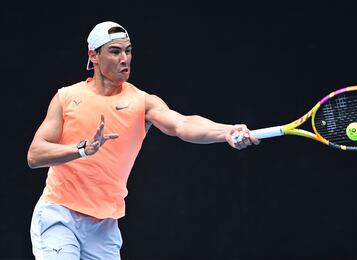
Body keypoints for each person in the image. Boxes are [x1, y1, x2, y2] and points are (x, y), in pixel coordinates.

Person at [27, 21, 259, 259]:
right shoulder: (66, 97)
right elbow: (35, 155)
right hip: (59, 214)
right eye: (115, 52)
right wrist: (83, 149)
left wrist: (226, 131)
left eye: (128, 51)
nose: (124, 58)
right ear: (93, 56)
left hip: (104, 226)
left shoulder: (143, 102)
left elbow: (183, 124)